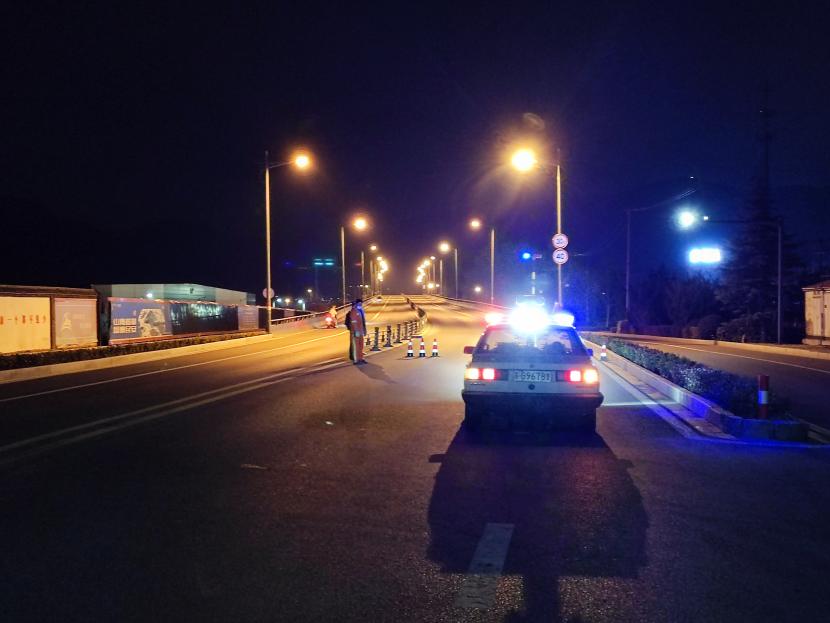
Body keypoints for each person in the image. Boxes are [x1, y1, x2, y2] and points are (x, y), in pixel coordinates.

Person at [345, 298, 367, 364]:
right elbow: (353, 322)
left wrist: (364, 330)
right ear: (356, 304)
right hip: (355, 332)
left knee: (361, 346)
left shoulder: (360, 311)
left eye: (361, 304)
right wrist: (356, 331)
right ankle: (356, 360)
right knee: (356, 346)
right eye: (359, 304)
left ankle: (361, 358)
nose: (360, 305)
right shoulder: (354, 311)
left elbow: (362, 322)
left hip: (360, 331)